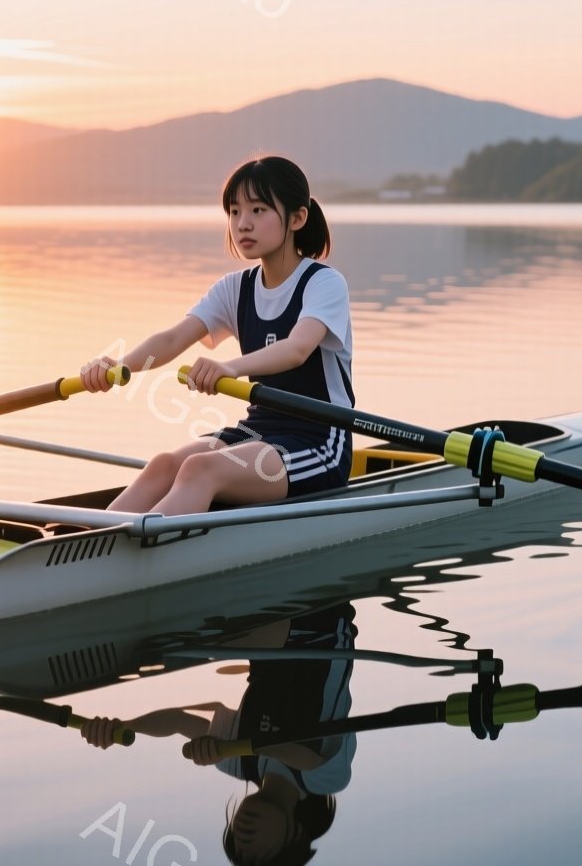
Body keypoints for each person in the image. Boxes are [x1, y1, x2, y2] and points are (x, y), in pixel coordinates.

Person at [81, 156, 354, 516]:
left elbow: (297, 349)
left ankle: (136, 557)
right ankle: (86, 541)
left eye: (258, 210)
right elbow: (171, 340)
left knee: (199, 469)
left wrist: (228, 368)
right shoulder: (235, 289)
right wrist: (119, 366)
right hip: (257, 432)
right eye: (235, 211)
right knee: (164, 465)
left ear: (297, 218)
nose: (243, 224)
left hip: (319, 441)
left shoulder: (324, 283)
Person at [79, 605, 357, 866]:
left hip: (268, 631)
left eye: (237, 844)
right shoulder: (328, 780)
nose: (244, 837)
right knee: (185, 645)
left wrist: (122, 726)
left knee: (191, 643)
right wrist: (231, 746)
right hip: (322, 627)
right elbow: (305, 757)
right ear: (295, 836)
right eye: (259, 855)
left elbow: (180, 721)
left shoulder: (237, 763)